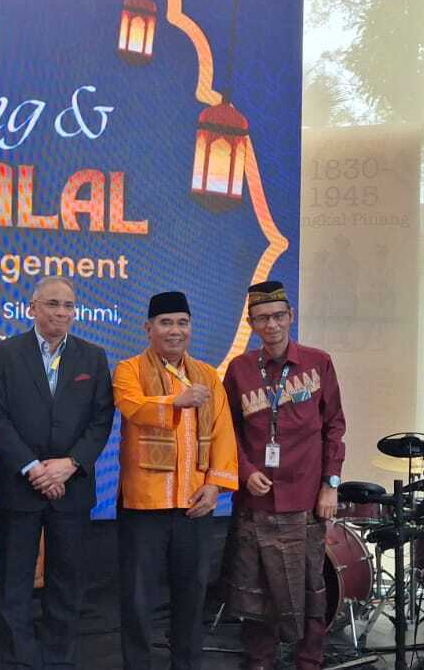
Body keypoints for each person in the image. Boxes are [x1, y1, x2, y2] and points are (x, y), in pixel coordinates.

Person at [0, 276, 115, 669]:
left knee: (66, 583)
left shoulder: (93, 357)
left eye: (68, 306)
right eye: (53, 304)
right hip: (18, 487)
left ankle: (59, 661)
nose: (61, 312)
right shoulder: (3, 354)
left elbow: (101, 420)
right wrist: (33, 468)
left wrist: (70, 465)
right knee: (14, 584)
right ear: (32, 308)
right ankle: (18, 662)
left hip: (72, 488)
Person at [221, 280, 346, 670]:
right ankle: (260, 661)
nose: (271, 325)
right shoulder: (239, 370)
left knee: (309, 585)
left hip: (306, 498)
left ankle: (309, 660)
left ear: (290, 316)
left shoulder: (318, 363)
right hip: (256, 499)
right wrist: (245, 471)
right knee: (255, 589)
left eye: (278, 316)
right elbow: (226, 431)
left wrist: (330, 484)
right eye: (262, 318)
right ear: (251, 323)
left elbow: (334, 427)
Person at [113, 291, 239, 670]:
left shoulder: (207, 375)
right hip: (144, 505)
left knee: (192, 595)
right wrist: (175, 402)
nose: (175, 330)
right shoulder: (129, 370)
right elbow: (132, 407)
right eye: (166, 323)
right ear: (148, 328)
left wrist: (215, 485)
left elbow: (223, 433)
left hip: (195, 505)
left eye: (182, 323)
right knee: (138, 598)